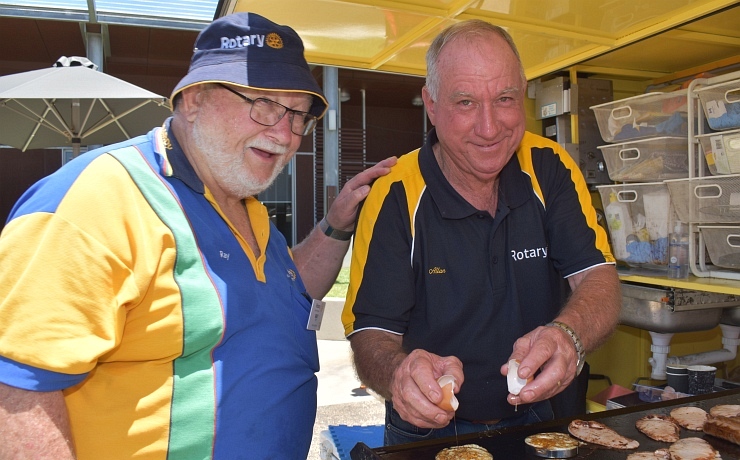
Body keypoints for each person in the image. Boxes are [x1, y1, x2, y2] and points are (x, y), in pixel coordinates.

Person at [0, 12, 395, 459]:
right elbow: (16, 396)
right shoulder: (97, 200)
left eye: (298, 115)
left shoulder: (244, 206)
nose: (285, 134)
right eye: (264, 104)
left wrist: (337, 223)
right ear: (193, 100)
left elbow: (287, 292)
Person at [343, 19, 621, 446]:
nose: (489, 129)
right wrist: (399, 374)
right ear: (431, 104)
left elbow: (598, 277)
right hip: (426, 429)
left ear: (522, 93)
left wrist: (569, 335)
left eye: (505, 98)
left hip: (540, 416)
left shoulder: (550, 166)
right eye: (466, 102)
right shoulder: (394, 193)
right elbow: (371, 334)